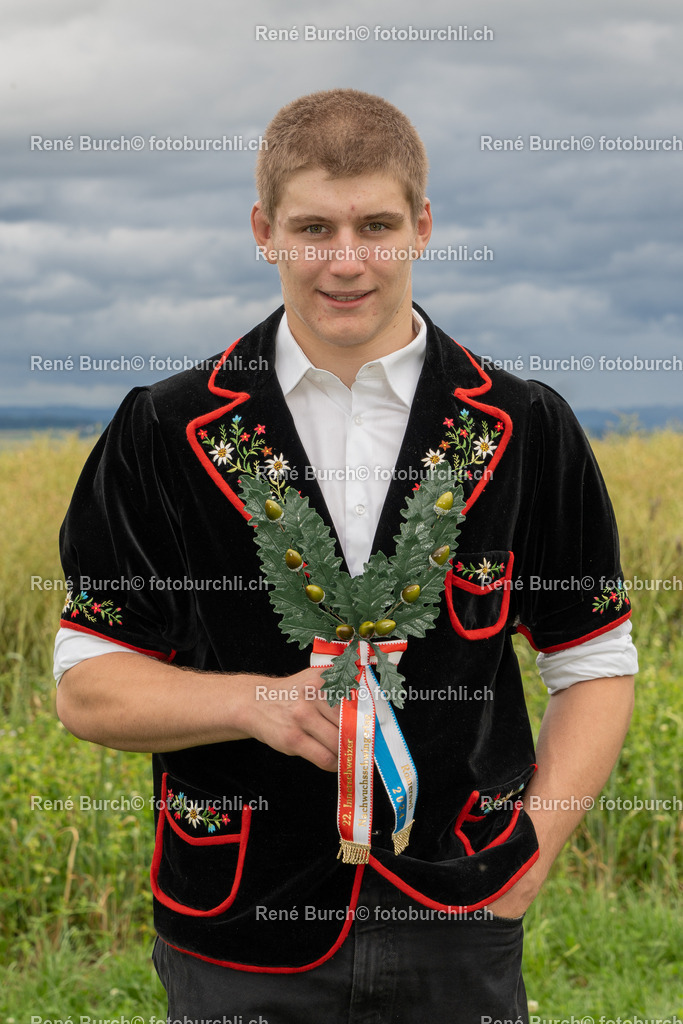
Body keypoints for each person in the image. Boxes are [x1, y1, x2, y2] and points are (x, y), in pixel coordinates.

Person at [54, 88, 637, 1024]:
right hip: (238, 921)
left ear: (421, 226)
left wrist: (529, 854)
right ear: (264, 232)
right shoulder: (162, 430)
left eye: (375, 226)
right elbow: (88, 686)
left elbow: (595, 661)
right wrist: (253, 703)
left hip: (459, 906)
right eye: (313, 228)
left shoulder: (525, 424)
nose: (346, 261)